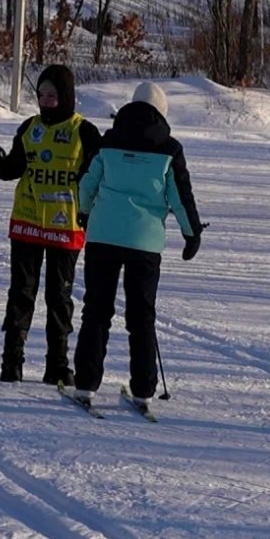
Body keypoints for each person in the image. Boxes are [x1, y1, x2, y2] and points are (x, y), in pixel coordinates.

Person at [72, 83, 203, 410]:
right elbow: (180, 198)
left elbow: (87, 183)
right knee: (141, 315)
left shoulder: (108, 141)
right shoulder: (170, 149)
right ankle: (143, 389)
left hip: (103, 236)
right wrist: (192, 234)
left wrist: (84, 214)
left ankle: (86, 385)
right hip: (144, 243)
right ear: (162, 110)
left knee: (96, 309)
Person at [0, 64, 101, 385]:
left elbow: (97, 177)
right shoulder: (28, 128)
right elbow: (14, 168)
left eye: (53, 95)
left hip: (66, 227)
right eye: (42, 95)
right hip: (28, 223)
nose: (46, 101)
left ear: (67, 96)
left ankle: (57, 366)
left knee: (59, 297)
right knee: (22, 292)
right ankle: (11, 363)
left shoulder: (84, 132)